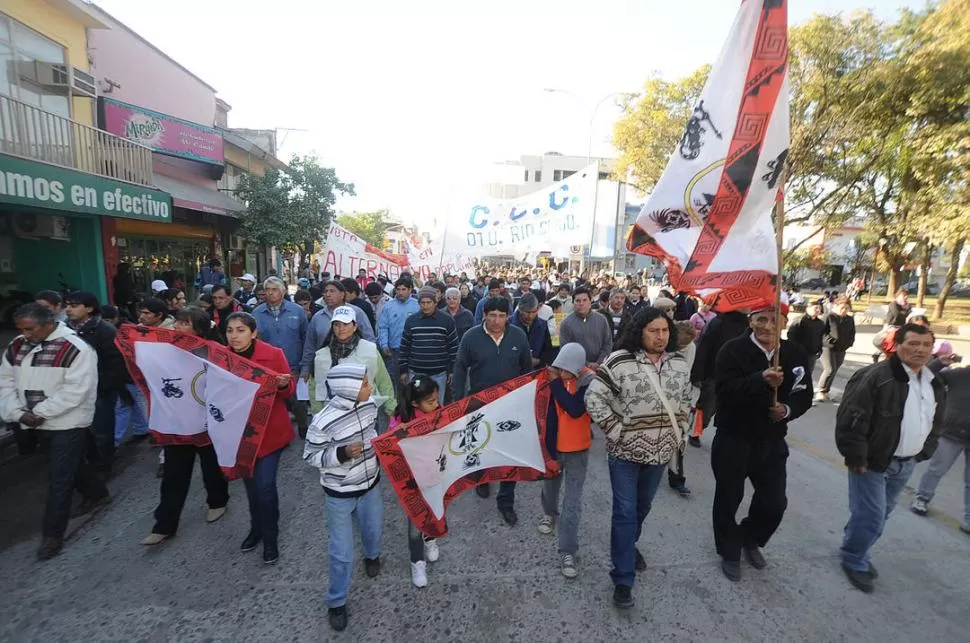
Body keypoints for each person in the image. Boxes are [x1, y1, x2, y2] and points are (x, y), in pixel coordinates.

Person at [585, 307, 693, 609]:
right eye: (653, 331)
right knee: (624, 512)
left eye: (664, 331)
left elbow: (686, 397)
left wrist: (681, 428)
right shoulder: (620, 361)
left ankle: (628, 545)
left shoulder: (679, 364)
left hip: (660, 454)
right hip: (625, 454)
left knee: (641, 508)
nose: (660, 337)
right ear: (640, 332)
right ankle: (623, 578)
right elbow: (594, 398)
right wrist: (615, 429)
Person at [836, 323, 945, 592]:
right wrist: (856, 456)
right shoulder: (877, 377)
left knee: (879, 514)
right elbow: (852, 419)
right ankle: (854, 559)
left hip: (906, 463)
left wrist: (925, 450)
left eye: (926, 345)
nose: (920, 350)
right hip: (872, 462)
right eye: (913, 343)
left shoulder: (933, 381)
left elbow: (935, 420)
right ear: (897, 345)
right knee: (872, 516)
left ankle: (855, 546)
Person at [711, 304, 812, 582]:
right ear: (751, 320)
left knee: (774, 502)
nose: (767, 326)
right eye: (761, 319)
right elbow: (725, 392)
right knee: (729, 497)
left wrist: (787, 409)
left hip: (772, 439)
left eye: (774, 320)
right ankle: (729, 550)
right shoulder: (732, 350)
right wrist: (759, 379)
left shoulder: (794, 352)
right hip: (734, 437)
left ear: (784, 322)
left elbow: (804, 393)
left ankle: (750, 537)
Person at [0, 303, 109, 560]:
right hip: (33, 420)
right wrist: (17, 412)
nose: (25, 334)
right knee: (67, 464)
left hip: (67, 421)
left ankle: (52, 535)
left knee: (59, 478)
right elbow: (5, 382)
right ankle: (97, 493)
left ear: (48, 322)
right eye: (21, 329)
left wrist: (39, 413)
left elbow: (75, 391)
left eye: (30, 328)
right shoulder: (17, 345)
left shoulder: (77, 348)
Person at [140, 307, 230, 547]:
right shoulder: (164, 352)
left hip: (205, 422)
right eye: (177, 323)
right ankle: (164, 524)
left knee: (212, 468)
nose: (178, 327)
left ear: (198, 328)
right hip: (176, 423)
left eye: (184, 323)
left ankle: (218, 501)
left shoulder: (214, 352)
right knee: (173, 476)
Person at [303, 363, 383, 633]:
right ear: (348, 388)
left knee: (373, 529)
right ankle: (336, 601)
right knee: (342, 552)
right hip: (339, 495)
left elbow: (373, 433)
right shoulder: (322, 420)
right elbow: (310, 456)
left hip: (370, 485)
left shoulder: (370, 404)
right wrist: (342, 453)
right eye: (363, 383)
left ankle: (372, 557)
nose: (369, 387)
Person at [453, 296, 532, 522]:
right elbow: (460, 368)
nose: (497, 321)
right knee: (481, 447)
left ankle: (506, 502)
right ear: (484, 315)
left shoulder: (518, 336)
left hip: (511, 406)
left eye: (502, 316)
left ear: (508, 316)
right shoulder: (471, 337)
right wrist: (458, 402)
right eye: (493, 315)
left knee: (510, 454)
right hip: (479, 405)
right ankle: (483, 478)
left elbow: (526, 369)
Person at [225, 312, 295, 565]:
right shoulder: (221, 358)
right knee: (251, 487)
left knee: (265, 487)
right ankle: (256, 528)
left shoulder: (273, 354)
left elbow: (290, 390)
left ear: (253, 333)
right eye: (230, 330)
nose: (234, 336)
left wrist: (282, 385)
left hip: (268, 434)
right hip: (237, 434)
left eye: (241, 330)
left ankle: (270, 536)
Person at [537, 343, 595, 578]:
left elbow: (574, 409)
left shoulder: (590, 382)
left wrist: (554, 383)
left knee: (572, 502)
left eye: (568, 371)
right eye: (560, 369)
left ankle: (568, 551)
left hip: (577, 451)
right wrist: (546, 449)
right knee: (550, 487)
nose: (563, 374)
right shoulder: (554, 377)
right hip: (554, 446)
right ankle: (549, 514)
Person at [64, 291, 127, 479]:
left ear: (89, 308)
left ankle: (104, 466)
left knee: (101, 430)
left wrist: (103, 386)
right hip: (73, 389)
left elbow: (116, 363)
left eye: (74, 305)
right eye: (67, 305)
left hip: (100, 390)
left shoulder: (105, 331)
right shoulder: (65, 329)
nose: (68, 309)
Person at [390, 376, 444, 588]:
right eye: (430, 401)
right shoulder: (400, 420)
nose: (436, 404)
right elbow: (390, 447)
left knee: (434, 512)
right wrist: (399, 434)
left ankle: (430, 539)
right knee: (415, 522)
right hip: (412, 481)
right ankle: (417, 561)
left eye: (436, 399)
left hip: (435, 475)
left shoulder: (440, 413)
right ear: (414, 403)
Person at [910, 350, 970, 533]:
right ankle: (922, 498)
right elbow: (925, 378)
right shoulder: (958, 375)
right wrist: (938, 363)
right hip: (952, 432)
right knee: (937, 468)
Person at [314, 306, 396, 418]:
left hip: (366, 410)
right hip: (333, 413)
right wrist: (317, 414)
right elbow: (315, 386)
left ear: (355, 327)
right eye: (337, 324)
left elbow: (383, 380)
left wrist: (391, 407)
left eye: (345, 324)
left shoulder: (370, 349)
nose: (341, 328)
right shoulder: (322, 354)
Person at [252, 277, 310, 438]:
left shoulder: (297, 311)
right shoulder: (257, 313)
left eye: (274, 289)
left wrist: (305, 365)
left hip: (293, 364)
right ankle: (279, 433)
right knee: (273, 402)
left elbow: (306, 338)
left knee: (298, 400)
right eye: (267, 290)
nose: (270, 293)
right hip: (268, 367)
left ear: (283, 291)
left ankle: (303, 427)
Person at [689, 308, 751, 448]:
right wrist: (698, 374)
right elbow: (704, 348)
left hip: (737, 376)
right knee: (706, 407)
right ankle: (695, 432)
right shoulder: (718, 322)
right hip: (714, 374)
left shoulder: (749, 326)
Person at [303, 281, 377, 382]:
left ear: (342, 294)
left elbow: (369, 338)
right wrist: (306, 368)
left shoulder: (356, 312)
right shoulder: (317, 317)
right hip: (325, 367)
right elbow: (310, 345)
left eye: (332, 291)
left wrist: (371, 362)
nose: (327, 295)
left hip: (355, 366)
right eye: (325, 291)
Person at [399, 288, 459, 405]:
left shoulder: (447, 320)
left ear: (435, 302)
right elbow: (405, 346)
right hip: (415, 373)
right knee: (416, 404)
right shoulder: (411, 321)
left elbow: (453, 347)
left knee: (436, 405)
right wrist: (403, 370)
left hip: (439, 374)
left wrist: (452, 370)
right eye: (422, 303)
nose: (425, 306)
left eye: (428, 302)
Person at [666, 321, 698, 498]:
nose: (683, 347)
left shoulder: (691, 347)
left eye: (685, 345)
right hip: (657, 395)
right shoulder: (662, 344)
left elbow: (686, 373)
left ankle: (677, 479)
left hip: (678, 397)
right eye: (680, 345)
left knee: (678, 441)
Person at [376, 277, 420, 395]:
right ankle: (402, 408)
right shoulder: (388, 306)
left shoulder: (417, 306)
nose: (400, 292)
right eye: (398, 289)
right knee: (400, 381)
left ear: (410, 289)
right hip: (396, 351)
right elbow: (383, 327)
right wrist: (384, 344)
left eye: (403, 289)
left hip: (415, 350)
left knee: (416, 382)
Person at [559, 288, 612, 371]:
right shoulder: (566, 323)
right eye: (578, 301)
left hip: (601, 367)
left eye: (584, 300)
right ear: (573, 303)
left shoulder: (601, 319)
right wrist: (587, 364)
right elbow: (566, 348)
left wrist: (599, 363)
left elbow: (607, 343)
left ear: (590, 302)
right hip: (577, 370)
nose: (581, 303)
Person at [817, 295, 856, 402]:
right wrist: (829, 341)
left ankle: (826, 391)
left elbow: (852, 333)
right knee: (829, 369)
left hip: (841, 349)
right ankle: (821, 390)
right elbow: (821, 332)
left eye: (846, 308)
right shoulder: (829, 316)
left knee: (835, 370)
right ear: (836, 306)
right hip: (827, 348)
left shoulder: (849, 319)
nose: (844, 310)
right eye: (842, 307)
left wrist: (849, 343)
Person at [511, 292, 553, 368]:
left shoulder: (543, 325)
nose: (530, 316)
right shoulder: (508, 325)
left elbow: (549, 349)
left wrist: (539, 361)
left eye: (534, 312)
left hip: (536, 371)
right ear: (520, 309)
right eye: (527, 312)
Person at [786, 301, 825, 377]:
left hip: (812, 354)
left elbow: (820, 337)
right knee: (797, 374)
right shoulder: (800, 320)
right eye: (816, 308)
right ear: (808, 308)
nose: (818, 310)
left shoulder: (820, 323)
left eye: (819, 308)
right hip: (799, 353)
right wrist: (798, 348)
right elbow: (791, 335)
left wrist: (820, 349)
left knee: (808, 374)